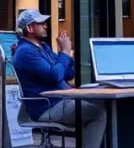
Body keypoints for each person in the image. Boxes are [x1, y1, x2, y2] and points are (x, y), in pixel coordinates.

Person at [12, 9, 106, 148]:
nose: (46, 26)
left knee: (105, 104)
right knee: (98, 113)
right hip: (48, 106)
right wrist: (65, 52)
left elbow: (68, 74)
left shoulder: (43, 47)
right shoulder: (25, 52)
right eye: (41, 23)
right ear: (30, 28)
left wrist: (65, 55)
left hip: (62, 100)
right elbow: (55, 75)